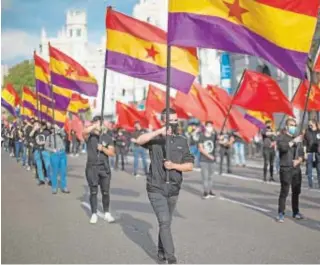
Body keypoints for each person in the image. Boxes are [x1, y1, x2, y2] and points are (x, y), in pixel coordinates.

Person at [135, 108, 194, 264]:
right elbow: (139, 140)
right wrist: (158, 132)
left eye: (175, 120)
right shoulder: (155, 139)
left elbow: (189, 166)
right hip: (156, 187)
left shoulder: (182, 140)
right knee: (164, 221)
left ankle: (161, 252)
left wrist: (174, 165)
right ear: (163, 121)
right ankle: (171, 257)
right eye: (170, 121)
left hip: (174, 188)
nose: (173, 123)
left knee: (166, 223)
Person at [83, 116, 116, 224]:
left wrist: (103, 149)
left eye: (100, 123)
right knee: (93, 192)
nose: (99, 126)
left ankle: (107, 212)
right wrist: (94, 126)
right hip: (92, 167)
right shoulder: (90, 136)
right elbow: (84, 132)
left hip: (104, 167)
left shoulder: (107, 137)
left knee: (105, 192)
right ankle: (93, 213)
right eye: (97, 123)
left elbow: (112, 153)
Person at [277, 118, 304, 222]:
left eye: (295, 125)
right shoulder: (281, 137)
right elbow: (282, 148)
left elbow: (301, 153)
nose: (294, 127)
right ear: (287, 126)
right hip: (286, 168)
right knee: (284, 191)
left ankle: (295, 212)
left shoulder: (298, 139)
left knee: (296, 191)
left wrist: (299, 160)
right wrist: (293, 141)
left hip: (296, 169)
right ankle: (281, 213)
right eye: (292, 125)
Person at [198, 121, 217, 199]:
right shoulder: (202, 136)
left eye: (211, 126)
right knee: (205, 177)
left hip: (212, 161)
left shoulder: (214, 136)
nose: (210, 128)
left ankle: (210, 191)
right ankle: (205, 192)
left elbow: (220, 140)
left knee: (211, 177)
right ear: (205, 127)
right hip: (204, 160)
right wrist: (209, 156)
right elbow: (201, 148)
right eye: (208, 126)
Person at [303, 119, 320, 188]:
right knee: (309, 169)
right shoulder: (307, 131)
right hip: (309, 152)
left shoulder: (319, 131)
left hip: (318, 152)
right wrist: (305, 153)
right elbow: (305, 143)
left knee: (319, 168)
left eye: (310, 123)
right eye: (309, 124)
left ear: (314, 123)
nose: (309, 125)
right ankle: (310, 184)